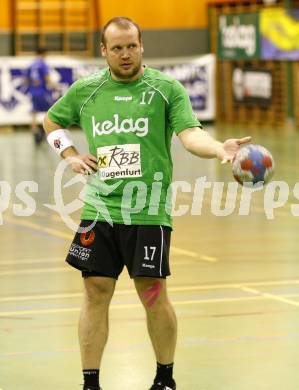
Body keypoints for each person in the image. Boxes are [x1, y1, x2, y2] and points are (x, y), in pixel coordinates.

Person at [43, 17, 251, 390]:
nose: (125, 54)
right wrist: (70, 154)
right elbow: (52, 122)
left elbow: (190, 135)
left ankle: (164, 378)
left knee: (152, 292)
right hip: (100, 208)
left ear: (142, 46)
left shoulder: (164, 88)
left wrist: (219, 148)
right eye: (117, 48)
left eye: (132, 46)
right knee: (94, 291)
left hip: (148, 208)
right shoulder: (87, 90)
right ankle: (90, 383)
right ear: (103, 50)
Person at [25, 47, 53, 145]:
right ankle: (46, 130)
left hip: (33, 92)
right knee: (50, 111)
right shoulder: (43, 64)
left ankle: (35, 130)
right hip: (42, 92)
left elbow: (26, 79)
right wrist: (54, 86)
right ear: (44, 54)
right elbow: (47, 78)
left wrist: (30, 88)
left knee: (34, 112)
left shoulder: (31, 64)